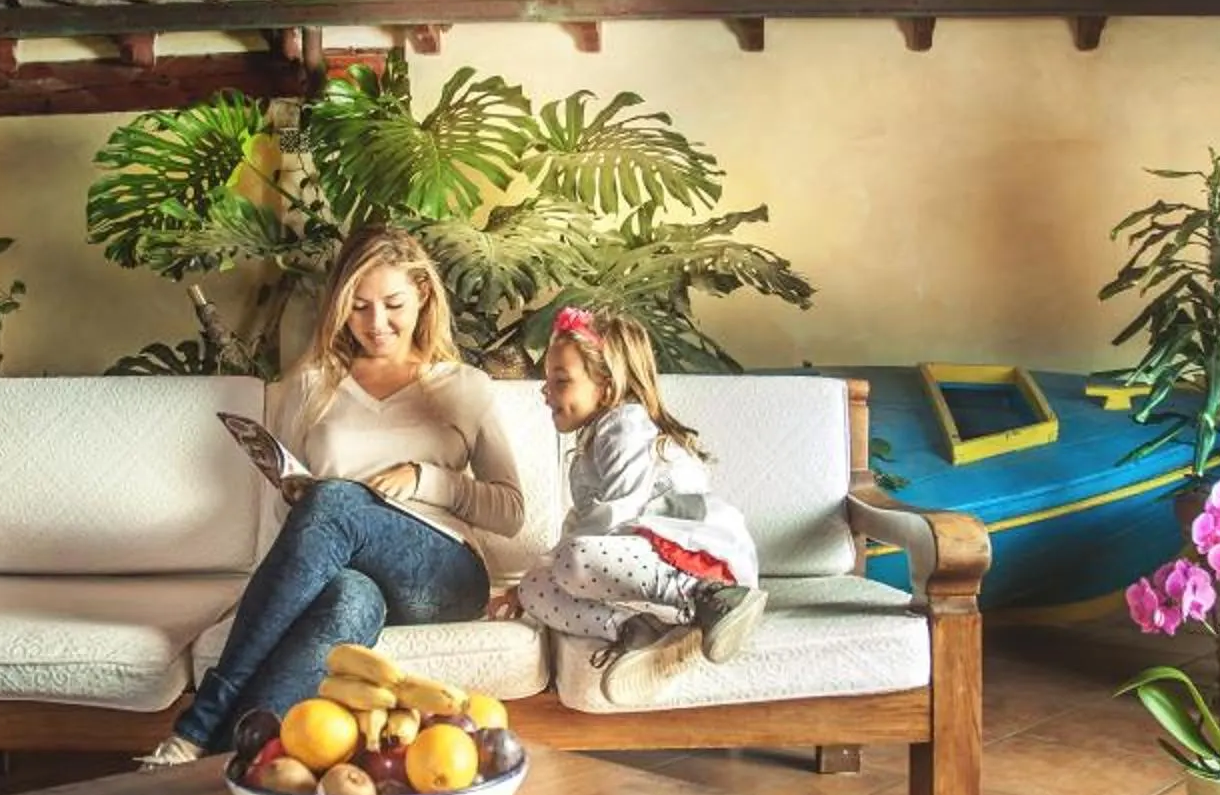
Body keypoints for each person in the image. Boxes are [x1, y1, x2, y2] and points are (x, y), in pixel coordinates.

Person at [137, 227, 528, 767]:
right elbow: (290, 508)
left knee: (336, 503)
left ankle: (198, 722)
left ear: (423, 296)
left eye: (393, 305)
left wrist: (427, 479)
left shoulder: (463, 387)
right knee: (346, 594)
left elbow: (510, 512)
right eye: (359, 308)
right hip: (347, 565)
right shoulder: (312, 384)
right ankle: (230, 766)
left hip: (442, 573)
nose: (377, 324)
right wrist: (299, 498)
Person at [503, 305, 765, 704]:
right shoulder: (591, 443)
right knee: (533, 588)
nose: (545, 390)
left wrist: (560, 561)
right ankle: (635, 630)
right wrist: (537, 574)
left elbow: (615, 514)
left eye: (561, 381)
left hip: (696, 558)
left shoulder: (624, 424)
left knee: (572, 560)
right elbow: (582, 523)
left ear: (606, 389)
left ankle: (712, 598)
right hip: (648, 555)